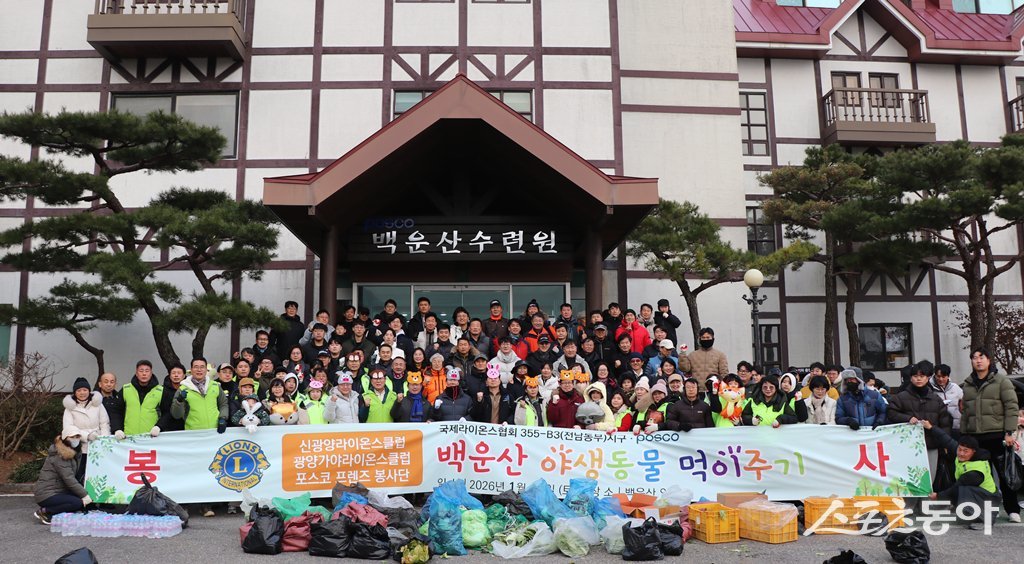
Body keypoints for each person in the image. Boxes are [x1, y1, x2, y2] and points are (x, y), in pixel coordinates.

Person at [959, 347, 1020, 522]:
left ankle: (1012, 509)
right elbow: (966, 413)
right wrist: (964, 436)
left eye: (982, 357)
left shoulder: (1001, 381)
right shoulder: (968, 384)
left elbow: (1011, 407)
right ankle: (981, 511)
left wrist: (1009, 432)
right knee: (978, 476)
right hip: (975, 439)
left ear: (988, 360)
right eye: (974, 358)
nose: (978, 360)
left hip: (997, 436)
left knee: (1004, 474)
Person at [926, 426, 1002, 530]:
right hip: (979, 494)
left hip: (989, 498)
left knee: (963, 489)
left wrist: (938, 496)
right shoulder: (962, 453)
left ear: (973, 451)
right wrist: (931, 427)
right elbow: (946, 440)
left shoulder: (975, 471)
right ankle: (968, 512)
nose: (961, 453)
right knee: (962, 489)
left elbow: (956, 488)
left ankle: (985, 519)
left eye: (965, 451)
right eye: (960, 449)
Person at [888, 360, 954, 475]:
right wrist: (907, 418)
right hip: (908, 446)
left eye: (922, 376)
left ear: (928, 378)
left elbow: (945, 423)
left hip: (931, 445)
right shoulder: (901, 397)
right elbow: (891, 413)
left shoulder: (936, 399)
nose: (918, 379)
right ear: (911, 378)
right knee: (910, 477)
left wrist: (945, 444)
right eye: (915, 376)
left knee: (930, 479)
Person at [33, 430, 91, 525]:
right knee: (76, 503)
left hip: (59, 491)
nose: (75, 440)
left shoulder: (74, 452)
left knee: (80, 503)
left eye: (77, 437)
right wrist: (84, 495)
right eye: (72, 437)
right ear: (64, 438)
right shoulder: (60, 455)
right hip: (47, 494)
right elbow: (69, 479)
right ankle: (46, 512)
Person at [62, 378, 110, 483]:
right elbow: (69, 428)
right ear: (75, 393)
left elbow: (104, 423)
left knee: (99, 473)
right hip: (79, 446)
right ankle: (80, 496)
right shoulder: (70, 408)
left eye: (84, 390)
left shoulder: (97, 404)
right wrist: (86, 436)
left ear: (89, 391)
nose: (82, 393)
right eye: (79, 391)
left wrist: (104, 439)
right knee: (80, 472)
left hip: (98, 443)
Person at [114, 360, 163, 438]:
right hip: (129, 437)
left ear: (151, 373)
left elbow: (167, 412)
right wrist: (117, 429)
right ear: (136, 373)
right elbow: (116, 411)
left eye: (147, 371)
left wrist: (159, 426)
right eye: (141, 371)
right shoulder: (126, 389)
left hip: (151, 436)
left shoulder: (160, 391)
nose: (144, 373)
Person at [931, 363, 964, 435]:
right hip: (939, 426)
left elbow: (963, 401)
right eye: (938, 376)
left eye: (943, 377)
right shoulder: (930, 389)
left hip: (956, 426)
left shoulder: (955, 387)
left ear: (948, 376)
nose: (941, 379)